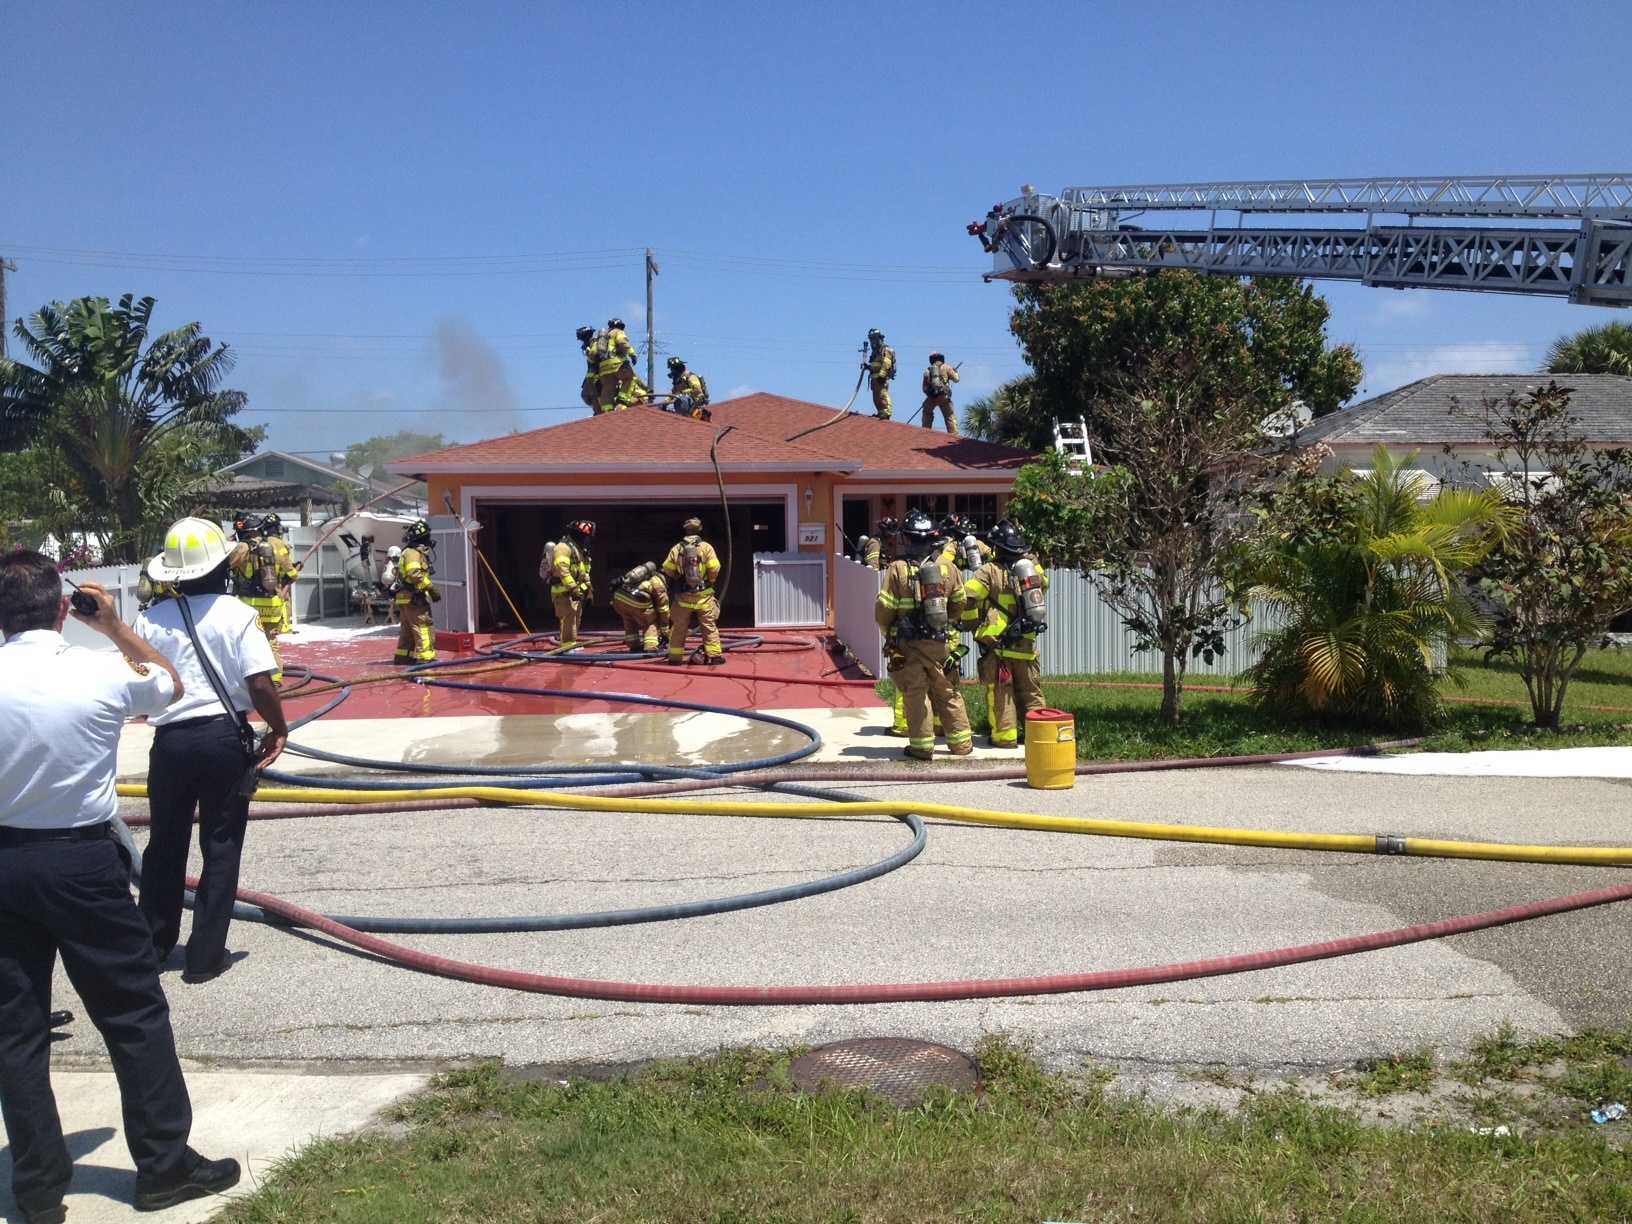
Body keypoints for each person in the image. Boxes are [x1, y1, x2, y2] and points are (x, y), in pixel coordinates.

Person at [0, 549, 243, 1219]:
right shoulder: (101, 670)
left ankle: (38, 1188)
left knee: (15, 1033)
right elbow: (172, 684)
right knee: (132, 1014)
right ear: (60, 609)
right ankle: (164, 1165)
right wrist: (111, 626)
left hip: (4, 862)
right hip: (81, 862)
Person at [135, 517, 290, 981]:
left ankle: (154, 945)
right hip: (224, 740)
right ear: (222, 565)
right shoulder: (237, 614)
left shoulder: (148, 620)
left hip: (171, 743)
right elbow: (259, 682)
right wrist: (278, 729)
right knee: (220, 845)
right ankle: (204, 958)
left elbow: (140, 688)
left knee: (164, 843)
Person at [874, 511, 973, 760]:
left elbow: (884, 607)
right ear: (933, 539)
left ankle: (921, 747)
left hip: (908, 646)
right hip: (940, 642)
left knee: (915, 694)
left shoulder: (897, 569)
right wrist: (946, 621)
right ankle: (961, 744)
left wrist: (888, 631)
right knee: (948, 691)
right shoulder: (948, 568)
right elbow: (960, 603)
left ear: (907, 539)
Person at [963, 519, 1050, 748]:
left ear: (998, 547)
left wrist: (972, 625)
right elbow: (1044, 584)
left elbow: (968, 597)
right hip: (1026, 642)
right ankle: (1039, 736)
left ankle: (1005, 737)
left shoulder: (989, 571)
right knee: (1031, 692)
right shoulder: (1031, 570)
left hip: (998, 644)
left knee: (1002, 692)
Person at [228, 514, 286, 684]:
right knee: (271, 642)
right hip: (272, 603)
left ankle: (250, 676)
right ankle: (275, 679)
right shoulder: (274, 546)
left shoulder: (242, 548)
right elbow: (288, 571)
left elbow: (227, 564)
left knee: (248, 642)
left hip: (250, 605)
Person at [662, 516, 724, 665]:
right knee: (708, 626)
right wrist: (710, 580)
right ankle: (715, 656)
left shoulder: (677, 548)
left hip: (683, 596)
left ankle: (675, 658)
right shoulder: (706, 547)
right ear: (700, 529)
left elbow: (667, 567)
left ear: (686, 530)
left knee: (678, 628)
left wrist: (677, 576)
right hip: (704, 597)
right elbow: (715, 567)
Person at [392, 519, 439, 664]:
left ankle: (403, 657)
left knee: (407, 629)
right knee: (423, 626)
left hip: (405, 597)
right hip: (413, 597)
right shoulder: (413, 553)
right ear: (423, 537)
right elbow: (414, 574)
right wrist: (431, 588)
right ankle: (426, 658)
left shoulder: (408, 551)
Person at [545, 520, 594, 650]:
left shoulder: (577, 549)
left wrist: (588, 589)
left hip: (574, 591)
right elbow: (563, 570)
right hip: (563, 590)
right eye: (584, 536)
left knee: (575, 617)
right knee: (568, 618)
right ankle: (567, 646)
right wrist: (573, 588)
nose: (586, 539)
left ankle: (571, 643)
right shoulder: (563, 548)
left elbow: (583, 571)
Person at [610, 561, 670, 652]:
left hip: (619, 600)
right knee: (650, 622)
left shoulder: (636, 575)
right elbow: (663, 607)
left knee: (629, 620)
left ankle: (633, 645)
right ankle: (651, 647)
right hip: (637, 602)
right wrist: (665, 627)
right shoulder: (658, 582)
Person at [260, 513, 302, 635]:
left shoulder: (259, 542)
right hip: (277, 585)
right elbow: (288, 568)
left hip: (260, 585)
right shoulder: (280, 544)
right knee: (285, 602)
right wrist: (295, 572)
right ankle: (283, 628)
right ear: (278, 529)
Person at [594, 317, 638, 412]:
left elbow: (593, 352)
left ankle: (607, 410)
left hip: (603, 367)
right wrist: (632, 354)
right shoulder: (618, 332)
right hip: (616, 363)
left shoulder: (602, 337)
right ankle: (622, 402)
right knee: (630, 378)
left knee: (608, 388)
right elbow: (622, 342)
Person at [920, 352, 962, 435]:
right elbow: (956, 379)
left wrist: (930, 394)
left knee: (926, 412)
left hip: (932, 397)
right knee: (949, 415)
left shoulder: (927, 371)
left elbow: (924, 388)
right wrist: (956, 372)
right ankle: (954, 434)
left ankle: (925, 431)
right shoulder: (946, 367)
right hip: (944, 396)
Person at [862, 327, 897, 419]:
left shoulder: (885, 350)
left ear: (879, 338)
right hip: (874, 378)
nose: (872, 341)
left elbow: (886, 363)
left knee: (882, 394)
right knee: (876, 398)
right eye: (871, 339)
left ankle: (886, 412)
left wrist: (882, 375)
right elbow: (875, 365)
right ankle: (881, 412)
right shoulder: (875, 352)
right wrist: (868, 367)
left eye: (874, 338)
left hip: (881, 378)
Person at [576, 325, 599, 411]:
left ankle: (598, 412)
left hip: (596, 374)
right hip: (592, 374)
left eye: (582, 339)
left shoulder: (594, 344)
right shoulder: (591, 344)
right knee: (588, 395)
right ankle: (598, 410)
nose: (582, 343)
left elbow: (594, 358)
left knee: (587, 394)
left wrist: (588, 351)